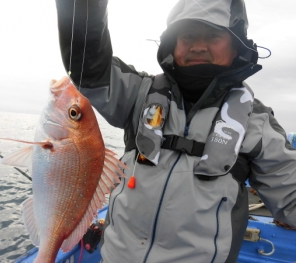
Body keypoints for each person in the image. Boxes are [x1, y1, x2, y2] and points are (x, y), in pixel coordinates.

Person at [55, 0, 296, 262]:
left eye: (213, 35)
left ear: (236, 45)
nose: (198, 46)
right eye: (187, 35)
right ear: (173, 44)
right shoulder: (138, 93)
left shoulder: (259, 125)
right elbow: (88, 67)